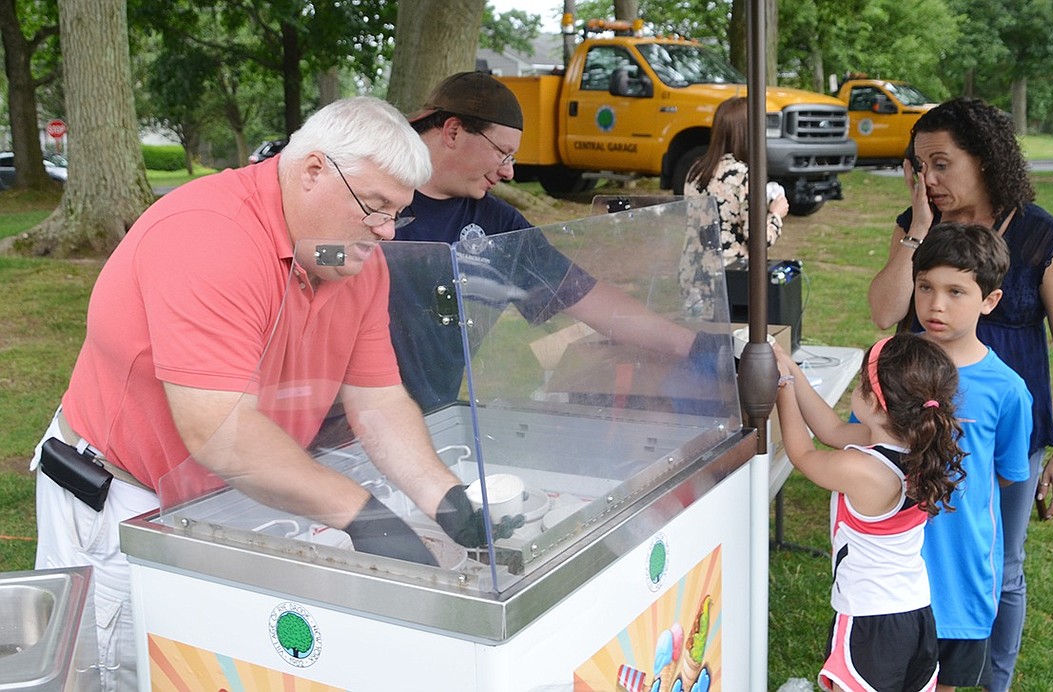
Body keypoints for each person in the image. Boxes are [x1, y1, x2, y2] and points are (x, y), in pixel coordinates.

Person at [29, 97, 508, 691]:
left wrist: (446, 500)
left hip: (224, 496)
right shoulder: (209, 236)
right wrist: (361, 514)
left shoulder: (346, 255)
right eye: (376, 208)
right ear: (313, 171)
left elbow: (378, 402)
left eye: (397, 216)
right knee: (119, 671)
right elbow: (220, 429)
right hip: (123, 503)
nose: (385, 233)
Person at [867, 97, 1053, 690]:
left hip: (1005, 425)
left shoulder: (1045, 238)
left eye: (941, 164)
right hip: (919, 423)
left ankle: (992, 680)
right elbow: (883, 311)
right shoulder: (919, 227)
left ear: (985, 160)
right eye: (920, 167)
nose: (929, 180)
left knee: (1003, 564)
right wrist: (917, 231)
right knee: (917, 550)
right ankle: (917, 669)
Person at [391, 71, 722, 412]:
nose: (510, 172)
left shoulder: (497, 224)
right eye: (503, 153)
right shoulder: (371, 198)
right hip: (341, 424)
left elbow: (587, 297)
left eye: (512, 158)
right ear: (454, 131)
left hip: (428, 418)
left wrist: (699, 346)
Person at [774, 333, 966, 692]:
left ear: (877, 405)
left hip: (870, 620)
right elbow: (829, 429)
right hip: (916, 614)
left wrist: (782, 387)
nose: (856, 390)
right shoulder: (914, 446)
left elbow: (803, 455)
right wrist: (790, 368)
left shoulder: (862, 468)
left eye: (863, 384)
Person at [910, 223, 1033, 691]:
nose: (936, 304)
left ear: (989, 300)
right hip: (887, 567)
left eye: (955, 291)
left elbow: (1004, 476)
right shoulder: (891, 365)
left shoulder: (1008, 390)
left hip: (961, 578)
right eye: (926, 288)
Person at [679, 96, 790, 315]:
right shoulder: (744, 175)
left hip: (692, 273)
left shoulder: (696, 170)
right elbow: (758, 239)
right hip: (730, 279)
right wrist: (776, 215)